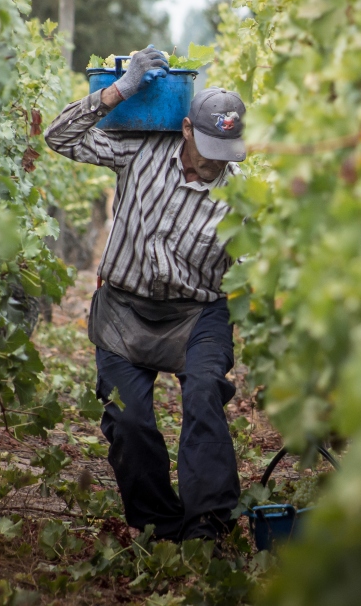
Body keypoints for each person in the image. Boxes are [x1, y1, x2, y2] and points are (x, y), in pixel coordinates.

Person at [43, 46, 248, 542]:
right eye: (206, 152)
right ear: (184, 131)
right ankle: (161, 526)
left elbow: (256, 270)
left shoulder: (240, 201)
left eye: (225, 155)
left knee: (203, 393)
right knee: (129, 421)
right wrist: (122, 88)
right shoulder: (139, 152)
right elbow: (58, 137)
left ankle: (208, 528)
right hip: (123, 309)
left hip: (197, 315)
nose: (213, 165)